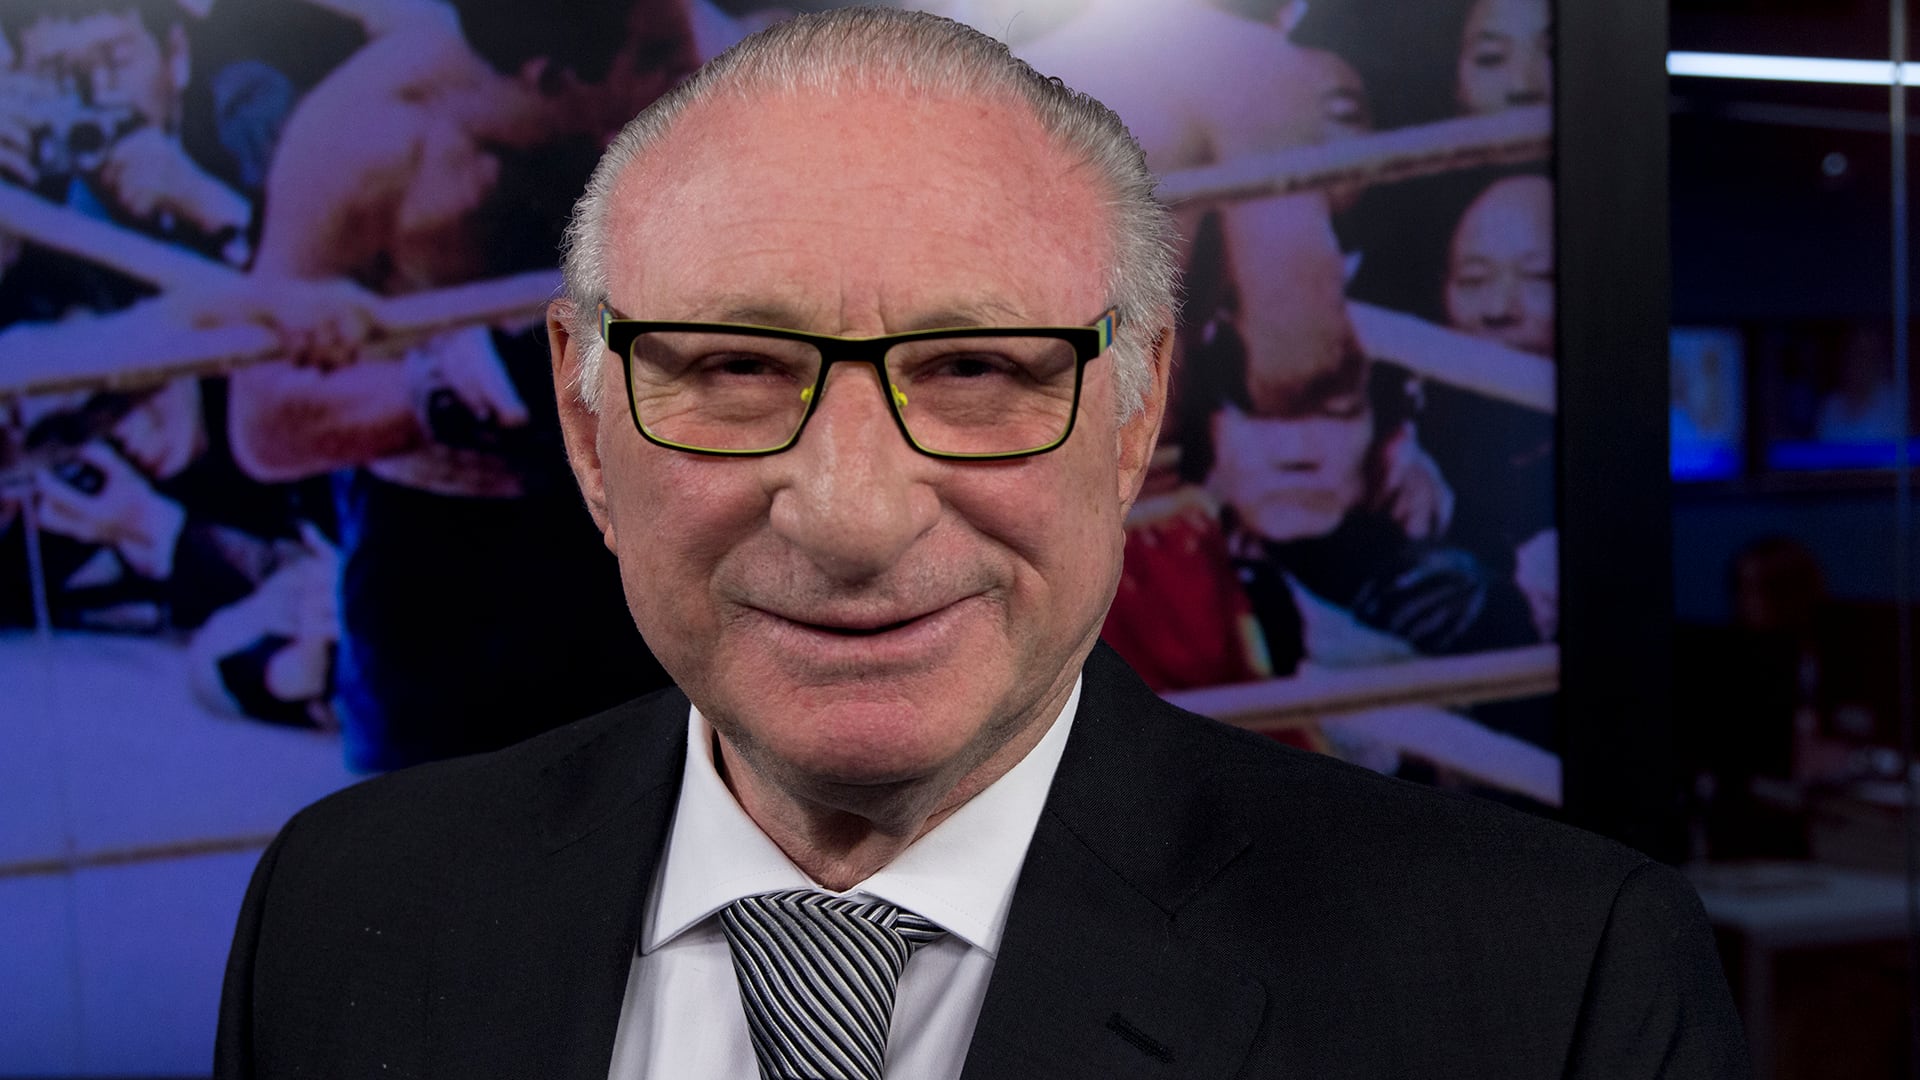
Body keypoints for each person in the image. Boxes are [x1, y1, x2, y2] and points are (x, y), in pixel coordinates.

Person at [215, 9, 1747, 1078]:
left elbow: (1305, 402)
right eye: (734, 366)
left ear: (1136, 410)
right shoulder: (341, 918)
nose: (854, 513)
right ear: (586, 415)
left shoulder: (1552, 990)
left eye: (980, 369)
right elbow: (269, 425)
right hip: (456, 590)